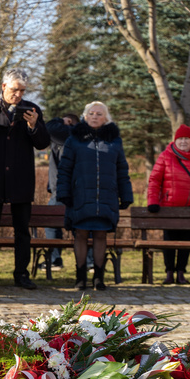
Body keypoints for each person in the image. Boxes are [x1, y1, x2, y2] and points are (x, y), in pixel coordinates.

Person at [0, 68, 50, 290]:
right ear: (4, 87)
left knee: (22, 230)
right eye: (14, 90)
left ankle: (21, 274)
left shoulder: (32, 110)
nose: (18, 95)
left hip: (20, 179)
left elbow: (43, 143)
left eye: (22, 91)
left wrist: (34, 126)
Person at [57, 102, 133, 291]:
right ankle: (80, 277)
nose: (95, 116)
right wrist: (64, 193)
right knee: (80, 234)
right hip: (80, 196)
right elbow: (65, 169)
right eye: (91, 113)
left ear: (105, 118)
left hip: (106, 197)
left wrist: (126, 195)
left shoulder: (114, 141)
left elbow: (121, 169)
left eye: (99, 114)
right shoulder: (74, 140)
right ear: (85, 116)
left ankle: (99, 277)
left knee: (101, 235)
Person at [146, 124, 190, 285]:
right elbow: (155, 180)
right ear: (175, 140)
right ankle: (169, 272)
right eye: (180, 139)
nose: (183, 142)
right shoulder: (165, 156)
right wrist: (153, 201)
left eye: (187, 139)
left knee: (185, 241)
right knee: (169, 241)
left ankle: (181, 273)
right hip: (168, 208)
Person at [44, 113, 79, 270]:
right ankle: (89, 261)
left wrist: (60, 120)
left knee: (51, 224)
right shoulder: (78, 139)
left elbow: (49, 127)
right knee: (82, 226)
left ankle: (55, 259)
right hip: (70, 189)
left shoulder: (65, 137)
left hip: (62, 190)